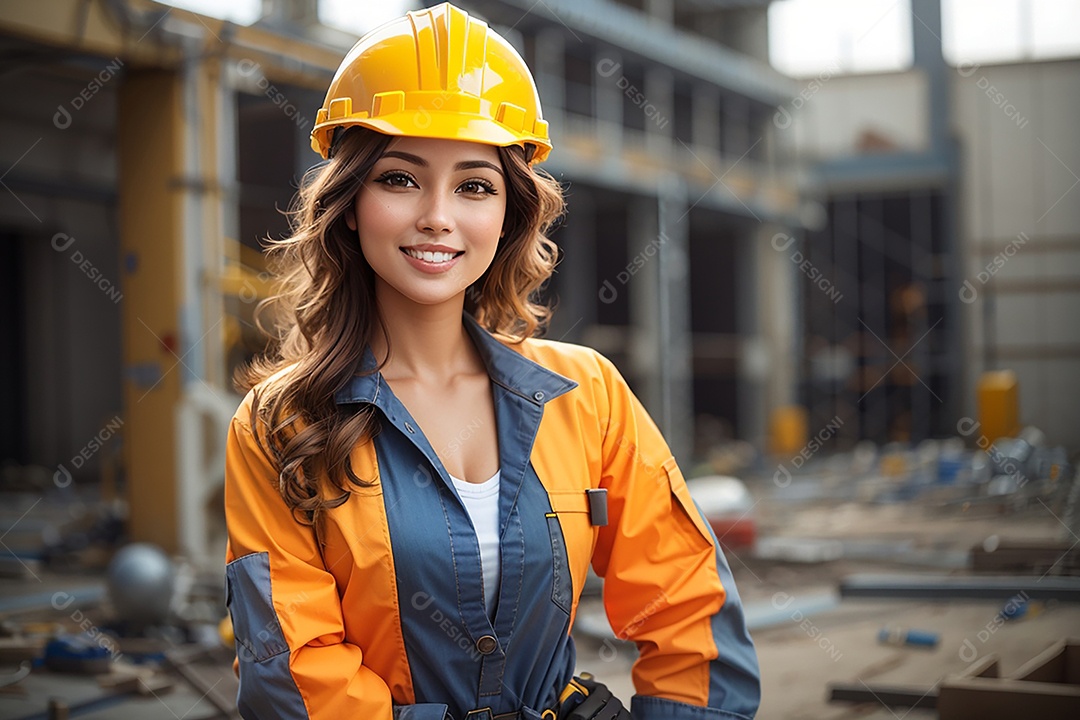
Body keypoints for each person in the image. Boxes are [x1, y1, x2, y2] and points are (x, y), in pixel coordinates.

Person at [223, 4, 760, 719]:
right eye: (400, 179)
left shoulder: (587, 396)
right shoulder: (279, 425)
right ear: (350, 203)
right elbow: (294, 679)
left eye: (474, 185)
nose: (437, 216)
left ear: (508, 212)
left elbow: (689, 610)